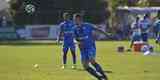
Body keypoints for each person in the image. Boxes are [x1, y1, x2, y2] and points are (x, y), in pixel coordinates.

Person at [73, 13, 108, 80]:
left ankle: (104, 76)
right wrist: (77, 42)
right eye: (74, 20)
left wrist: (106, 33)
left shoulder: (87, 25)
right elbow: (74, 39)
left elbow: (97, 29)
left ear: (79, 19)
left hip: (90, 47)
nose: (74, 21)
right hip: (82, 49)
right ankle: (99, 78)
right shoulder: (75, 28)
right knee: (85, 66)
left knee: (91, 60)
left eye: (75, 19)